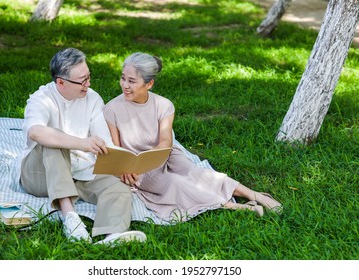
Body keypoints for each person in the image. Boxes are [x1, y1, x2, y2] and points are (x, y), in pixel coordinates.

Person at [104, 52, 282, 222]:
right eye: (122, 78)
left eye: (131, 81)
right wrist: (127, 168)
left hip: (164, 153)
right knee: (174, 182)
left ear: (149, 84)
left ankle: (255, 195)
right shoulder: (112, 108)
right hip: (138, 167)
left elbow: (166, 141)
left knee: (197, 173)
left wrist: (153, 157)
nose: (124, 85)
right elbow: (116, 147)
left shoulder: (163, 105)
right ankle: (235, 207)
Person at [19, 48, 146, 244]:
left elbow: (104, 141)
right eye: (82, 81)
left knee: (118, 186)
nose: (88, 84)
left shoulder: (93, 98)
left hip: (81, 174)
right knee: (54, 139)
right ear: (61, 82)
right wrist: (82, 143)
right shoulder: (41, 98)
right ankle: (70, 217)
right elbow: (36, 132)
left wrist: (123, 166)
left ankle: (112, 235)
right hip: (40, 176)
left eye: (88, 77)